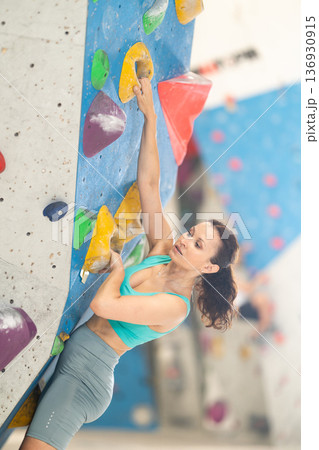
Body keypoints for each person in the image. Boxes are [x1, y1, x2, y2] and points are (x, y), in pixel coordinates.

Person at [20, 78, 239, 450]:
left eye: (197, 244)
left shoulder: (174, 306)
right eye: (191, 232)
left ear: (208, 268)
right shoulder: (163, 247)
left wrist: (118, 266)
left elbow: (104, 305)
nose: (184, 239)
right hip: (70, 356)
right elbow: (149, 184)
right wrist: (150, 117)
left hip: (84, 378)